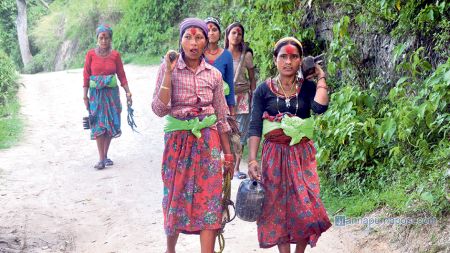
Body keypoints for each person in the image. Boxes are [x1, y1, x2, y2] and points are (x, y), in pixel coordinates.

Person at [151, 18, 234, 253]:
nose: (193, 43)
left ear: (207, 42)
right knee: (174, 197)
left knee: (210, 199)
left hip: (208, 144)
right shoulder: (169, 68)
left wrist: (228, 154)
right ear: (180, 41)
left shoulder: (214, 75)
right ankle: (170, 249)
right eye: (188, 37)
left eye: (199, 38)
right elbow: (159, 109)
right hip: (178, 144)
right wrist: (168, 72)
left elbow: (221, 117)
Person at [247, 37, 332, 253]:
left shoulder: (307, 88)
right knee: (276, 208)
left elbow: (320, 108)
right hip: (274, 155)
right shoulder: (263, 91)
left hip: (301, 155)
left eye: (294, 57)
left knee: (307, 205)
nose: (288, 62)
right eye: (283, 57)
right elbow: (255, 124)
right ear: (275, 60)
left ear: (301, 61)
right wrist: (252, 159)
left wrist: (321, 76)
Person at [83, 24, 132, 170]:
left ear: (110, 39)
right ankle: (101, 158)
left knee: (111, 123)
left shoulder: (115, 55)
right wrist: (84, 95)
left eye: (107, 38)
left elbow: (121, 75)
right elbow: (86, 75)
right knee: (98, 124)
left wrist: (128, 93)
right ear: (97, 39)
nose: (104, 40)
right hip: (96, 96)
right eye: (101, 37)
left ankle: (104, 155)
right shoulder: (90, 54)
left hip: (112, 95)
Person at [224, 22, 256, 179]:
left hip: (243, 98)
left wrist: (254, 98)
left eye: (239, 34)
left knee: (240, 133)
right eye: (234, 33)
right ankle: (225, 164)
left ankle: (236, 168)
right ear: (227, 35)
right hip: (225, 98)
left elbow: (252, 79)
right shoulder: (221, 54)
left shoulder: (247, 55)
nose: (236, 36)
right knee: (225, 130)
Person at [204, 17, 235, 115]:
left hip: (222, 104)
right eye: (208, 30)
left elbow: (230, 83)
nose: (211, 33)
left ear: (220, 34)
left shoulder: (227, 55)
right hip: (202, 106)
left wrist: (232, 112)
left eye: (214, 30)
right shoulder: (198, 54)